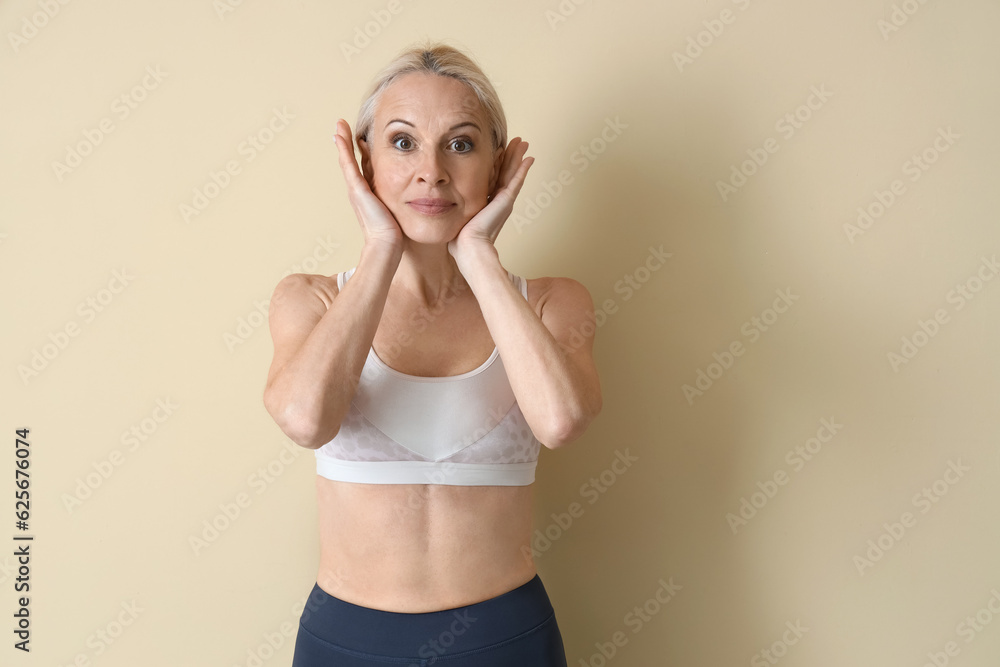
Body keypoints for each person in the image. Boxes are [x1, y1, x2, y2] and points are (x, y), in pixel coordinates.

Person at [263, 40, 602, 666]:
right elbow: (307, 420)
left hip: (506, 640)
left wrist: (478, 256)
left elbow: (561, 421)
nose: (432, 172)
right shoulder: (308, 300)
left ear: (498, 166)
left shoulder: (555, 302)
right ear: (361, 162)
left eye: (462, 143)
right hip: (347, 641)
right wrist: (378, 248)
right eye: (402, 142)